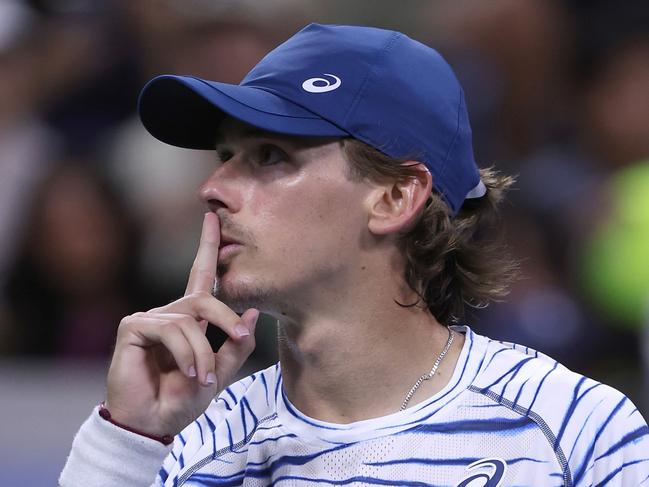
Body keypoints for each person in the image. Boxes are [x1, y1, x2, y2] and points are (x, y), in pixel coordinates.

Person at [59, 23, 648, 486]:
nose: (212, 189)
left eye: (269, 156)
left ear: (394, 197)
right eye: (224, 156)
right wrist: (128, 442)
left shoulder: (574, 432)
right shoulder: (182, 446)